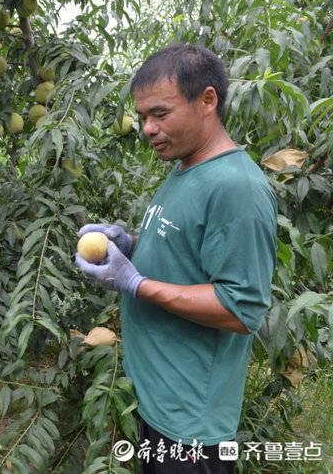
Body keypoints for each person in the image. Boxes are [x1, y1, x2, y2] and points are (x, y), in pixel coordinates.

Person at [75, 44, 277, 473]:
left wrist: (136, 284)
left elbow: (241, 309)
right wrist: (129, 245)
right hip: (158, 403)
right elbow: (184, 252)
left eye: (160, 114)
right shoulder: (186, 168)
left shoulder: (236, 188)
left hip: (190, 427)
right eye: (143, 116)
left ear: (208, 100)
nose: (147, 128)